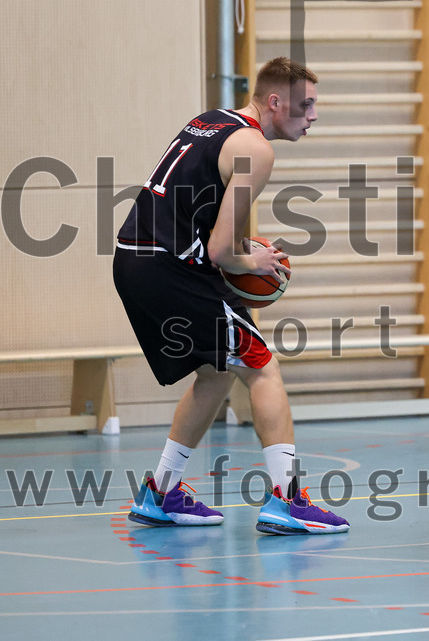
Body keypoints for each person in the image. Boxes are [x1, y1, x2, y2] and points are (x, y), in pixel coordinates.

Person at [113, 57, 348, 536]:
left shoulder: (210, 122)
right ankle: (288, 500)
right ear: (275, 101)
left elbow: (209, 224)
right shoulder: (256, 149)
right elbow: (223, 250)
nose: (313, 116)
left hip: (136, 257)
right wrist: (253, 262)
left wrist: (240, 252)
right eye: (306, 105)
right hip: (168, 265)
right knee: (261, 366)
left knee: (218, 371)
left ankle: (160, 491)